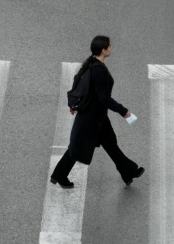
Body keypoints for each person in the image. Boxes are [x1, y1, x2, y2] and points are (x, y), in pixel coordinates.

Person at [50, 35, 145, 189]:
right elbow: (104, 98)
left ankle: (128, 171)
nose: (112, 48)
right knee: (76, 149)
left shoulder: (91, 63)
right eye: (110, 46)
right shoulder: (98, 70)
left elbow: (79, 83)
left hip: (98, 117)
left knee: (111, 144)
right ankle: (59, 175)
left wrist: (74, 105)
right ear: (104, 50)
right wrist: (124, 111)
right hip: (91, 118)